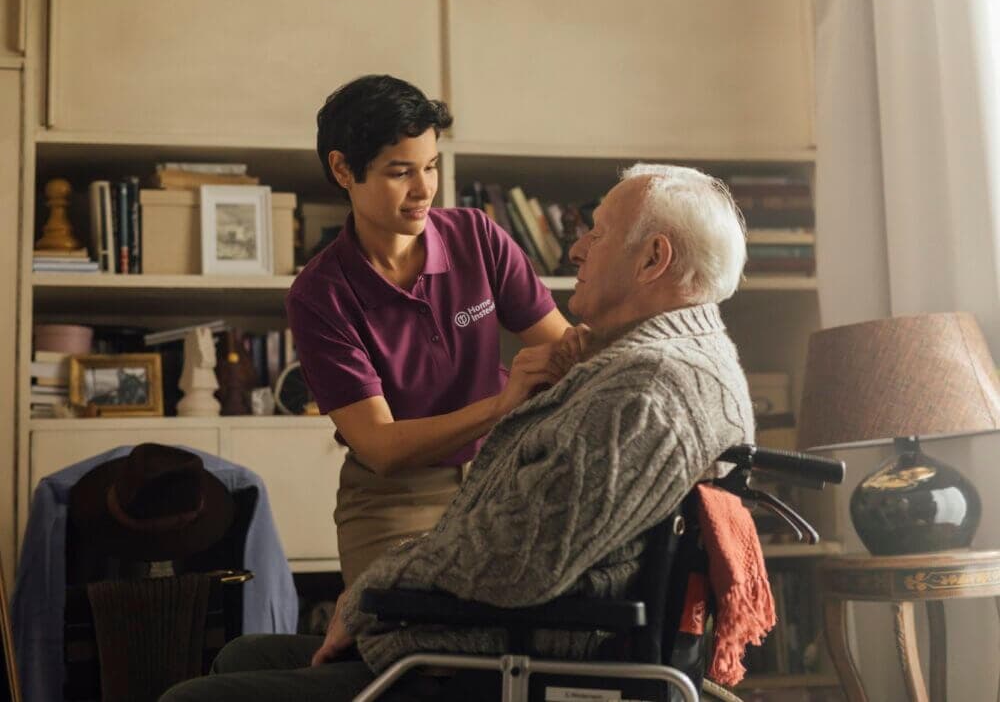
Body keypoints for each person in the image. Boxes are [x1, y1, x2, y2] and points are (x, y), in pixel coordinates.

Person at [161, 162, 755, 702]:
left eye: (596, 233)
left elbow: (520, 562)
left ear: (653, 260)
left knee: (192, 697)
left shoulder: (645, 390)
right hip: (517, 621)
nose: (575, 248)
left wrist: (376, 585)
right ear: (346, 172)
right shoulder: (675, 361)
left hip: (519, 657)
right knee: (244, 654)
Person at [284, 75, 575, 587]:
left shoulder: (477, 237)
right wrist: (501, 406)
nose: (424, 191)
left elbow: (566, 351)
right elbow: (381, 446)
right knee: (395, 646)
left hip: (505, 474)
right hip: (395, 499)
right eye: (401, 173)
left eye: (431, 167)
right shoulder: (319, 295)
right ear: (342, 169)